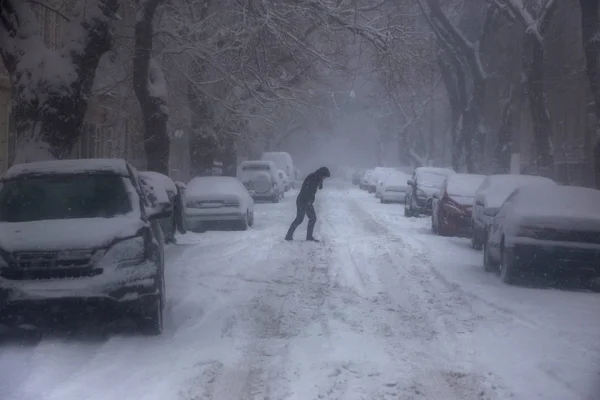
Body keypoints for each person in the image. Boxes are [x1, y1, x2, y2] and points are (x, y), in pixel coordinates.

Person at [285, 166, 330, 242]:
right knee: (304, 219)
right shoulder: (313, 178)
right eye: (324, 177)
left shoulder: (316, 177)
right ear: (322, 174)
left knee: (306, 218)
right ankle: (291, 236)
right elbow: (308, 190)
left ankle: (291, 236)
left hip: (304, 200)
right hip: (303, 201)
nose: (324, 179)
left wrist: (321, 182)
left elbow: (318, 187)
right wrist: (308, 201)